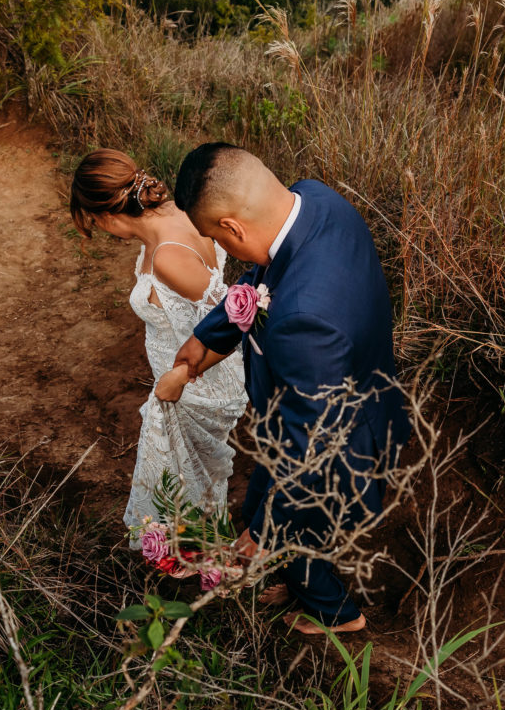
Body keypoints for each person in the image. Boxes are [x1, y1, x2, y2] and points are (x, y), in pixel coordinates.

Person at [167, 143, 411, 634]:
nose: (222, 248)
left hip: (339, 444)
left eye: (216, 237)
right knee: (261, 498)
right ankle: (284, 556)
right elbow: (262, 278)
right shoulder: (314, 201)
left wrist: (266, 532)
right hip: (339, 403)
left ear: (233, 228)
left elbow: (312, 448)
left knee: (296, 537)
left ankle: (337, 615)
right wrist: (210, 336)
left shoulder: (305, 319)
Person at [69, 148, 247, 538]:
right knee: (184, 483)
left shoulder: (169, 256)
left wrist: (179, 377)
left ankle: (204, 551)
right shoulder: (177, 213)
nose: (103, 231)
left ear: (106, 215)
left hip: (194, 385)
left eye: (95, 223)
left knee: (187, 487)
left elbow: (232, 320)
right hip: (188, 376)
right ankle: (200, 544)